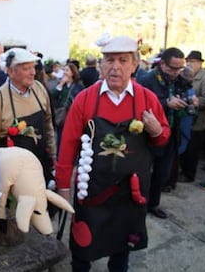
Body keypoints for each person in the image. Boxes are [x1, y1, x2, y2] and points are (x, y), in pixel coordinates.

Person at [55, 35, 170, 272]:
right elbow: (67, 147)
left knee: (122, 249)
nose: (115, 67)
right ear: (101, 64)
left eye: (123, 60)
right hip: (92, 192)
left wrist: (157, 129)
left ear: (134, 64)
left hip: (131, 194)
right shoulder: (85, 100)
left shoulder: (147, 99)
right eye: (109, 60)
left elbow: (163, 138)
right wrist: (63, 188)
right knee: (82, 248)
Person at [0, 47, 56, 185]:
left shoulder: (39, 89)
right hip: (14, 175)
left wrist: (53, 155)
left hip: (41, 165)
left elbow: (48, 124)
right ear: (11, 72)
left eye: (33, 67)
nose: (33, 72)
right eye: (26, 68)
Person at [138, 47, 187, 217]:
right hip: (150, 136)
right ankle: (140, 204)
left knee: (162, 173)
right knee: (144, 173)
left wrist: (190, 100)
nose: (176, 72)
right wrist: (166, 103)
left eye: (180, 68)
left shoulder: (178, 79)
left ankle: (153, 204)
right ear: (163, 64)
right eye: (173, 68)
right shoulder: (147, 79)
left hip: (172, 132)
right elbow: (141, 105)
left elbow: (185, 93)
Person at [179, 50, 205, 182]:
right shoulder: (186, 75)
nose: (189, 64)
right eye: (188, 61)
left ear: (200, 63)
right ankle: (182, 170)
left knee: (192, 149)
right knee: (184, 146)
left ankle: (189, 174)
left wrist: (196, 101)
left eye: (192, 62)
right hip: (186, 118)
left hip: (197, 121)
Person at [51, 62, 83, 151]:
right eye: (64, 70)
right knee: (60, 139)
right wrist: (61, 84)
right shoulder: (62, 85)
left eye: (67, 70)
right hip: (62, 116)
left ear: (73, 73)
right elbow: (53, 96)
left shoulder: (78, 86)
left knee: (71, 139)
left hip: (72, 116)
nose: (65, 72)